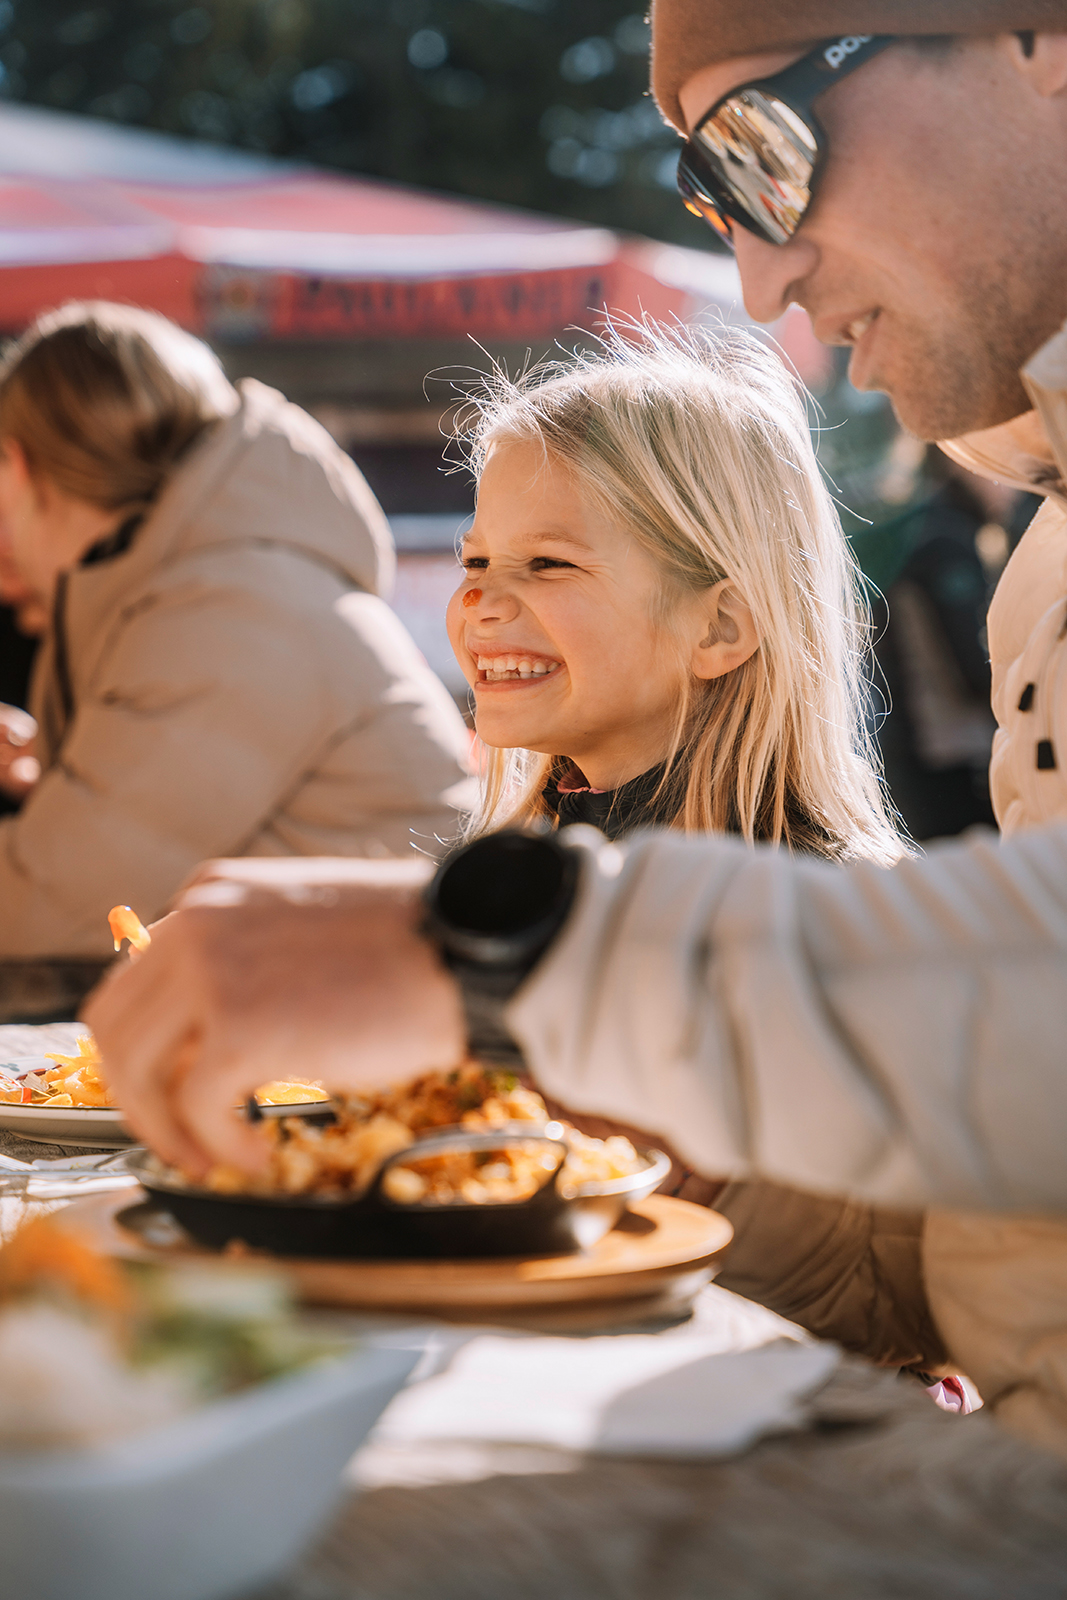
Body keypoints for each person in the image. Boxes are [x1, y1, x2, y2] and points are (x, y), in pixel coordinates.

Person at [84, 17, 1067, 1457]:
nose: (760, 276)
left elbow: (874, 1275)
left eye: (763, 148)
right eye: (708, 197)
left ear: (1031, 38)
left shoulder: (813, 866)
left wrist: (494, 956)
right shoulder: (1038, 556)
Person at [0, 300, 473, 990]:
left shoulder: (228, 606)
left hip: (371, 1026)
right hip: (341, 999)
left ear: (18, 465)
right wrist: (51, 774)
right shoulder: (217, 580)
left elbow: (48, 906)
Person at [448, 324, 903, 864]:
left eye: (549, 563)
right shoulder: (522, 875)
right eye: (476, 561)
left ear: (718, 629)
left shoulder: (809, 902)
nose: (482, 602)